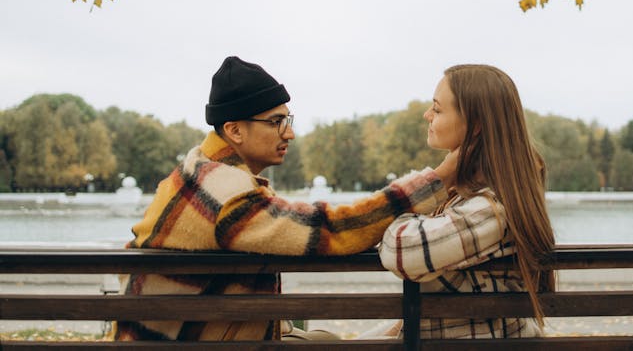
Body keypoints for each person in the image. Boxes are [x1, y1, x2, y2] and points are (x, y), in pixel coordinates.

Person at [114, 56, 453, 342]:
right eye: (276, 122)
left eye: (287, 120)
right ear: (234, 130)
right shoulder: (224, 194)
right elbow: (329, 230)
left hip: (172, 341)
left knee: (373, 335)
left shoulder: (196, 171)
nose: (289, 133)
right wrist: (438, 179)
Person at [377, 64, 556, 339]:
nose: (427, 115)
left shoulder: (491, 209)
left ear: (476, 125)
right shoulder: (472, 198)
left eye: (437, 109)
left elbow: (398, 248)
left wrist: (436, 179)